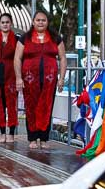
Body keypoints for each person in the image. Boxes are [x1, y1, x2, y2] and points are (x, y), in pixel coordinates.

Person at [14, 10, 66, 149]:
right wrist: (18, 78)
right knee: (30, 107)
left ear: (47, 22)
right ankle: (32, 138)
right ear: (33, 22)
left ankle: (44, 138)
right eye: (38, 20)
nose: (41, 22)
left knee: (47, 106)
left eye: (43, 20)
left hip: (50, 80)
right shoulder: (25, 38)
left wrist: (61, 78)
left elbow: (62, 58)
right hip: (29, 79)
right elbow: (17, 58)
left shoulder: (56, 38)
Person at [0, 13, 18, 143]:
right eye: (3, 22)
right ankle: (2, 133)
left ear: (11, 24)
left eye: (7, 22)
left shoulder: (17, 39)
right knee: (0, 105)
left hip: (11, 74)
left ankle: (11, 133)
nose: (5, 24)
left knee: (11, 104)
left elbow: (20, 59)